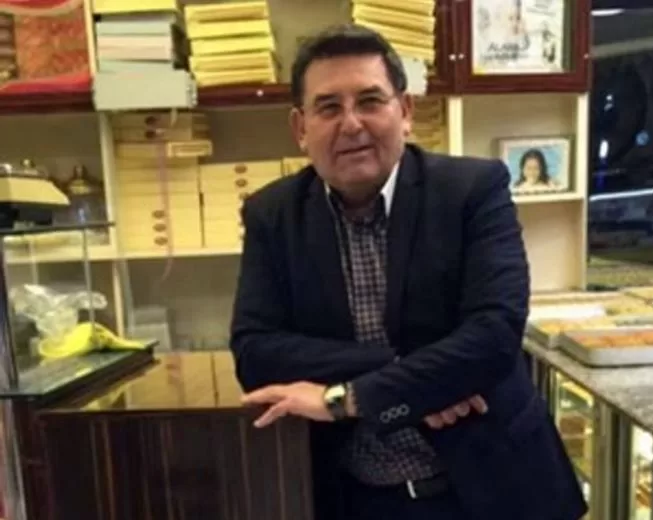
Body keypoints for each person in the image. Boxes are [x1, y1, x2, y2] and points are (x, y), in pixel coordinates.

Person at [230, 24, 587, 520]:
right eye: (328, 107)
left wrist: (347, 399)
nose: (351, 123)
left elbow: (493, 335)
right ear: (300, 128)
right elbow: (255, 352)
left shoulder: (472, 190)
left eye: (370, 101)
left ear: (405, 111)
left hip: (495, 489)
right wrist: (407, 369)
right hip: (354, 498)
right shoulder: (272, 214)